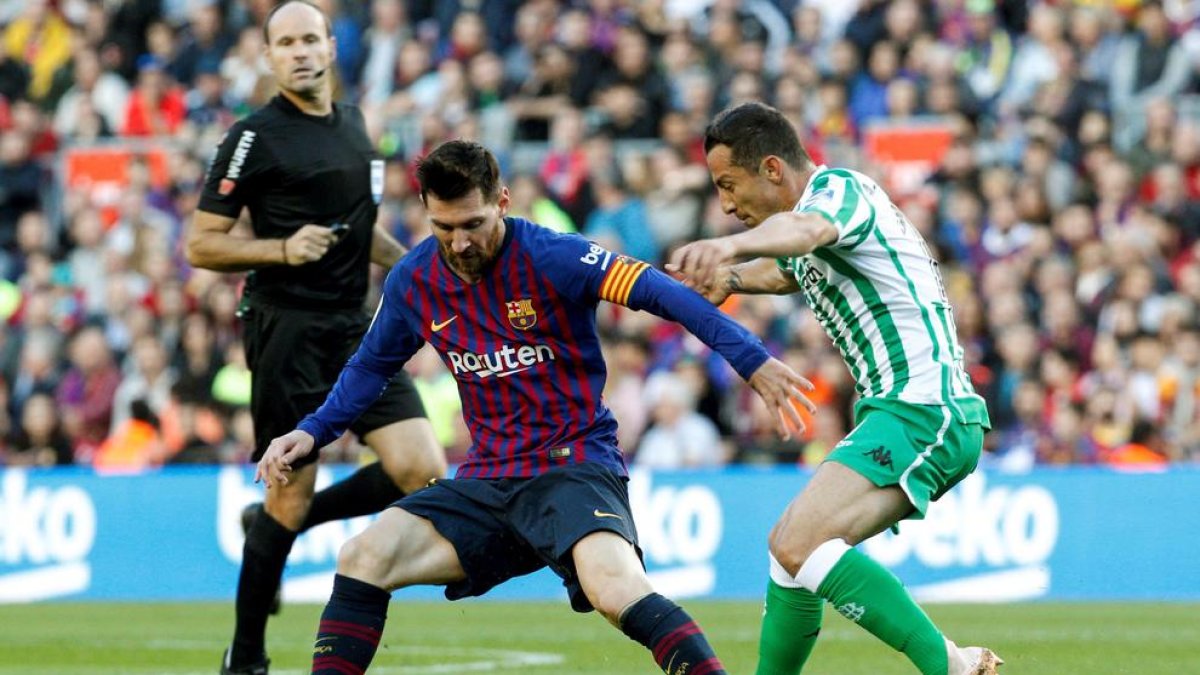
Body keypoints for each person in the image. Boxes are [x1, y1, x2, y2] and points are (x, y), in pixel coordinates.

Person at [256, 139, 816, 675]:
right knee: (363, 556)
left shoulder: (555, 255)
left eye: (473, 224)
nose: (459, 244)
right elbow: (369, 367)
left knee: (616, 590)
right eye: (443, 227)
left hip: (572, 467)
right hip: (488, 480)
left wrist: (751, 359)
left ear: (502, 201)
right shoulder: (413, 280)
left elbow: (660, 291)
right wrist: (312, 432)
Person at [668, 102, 1002, 675]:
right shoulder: (816, 227)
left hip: (924, 408)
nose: (725, 204)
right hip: (906, 413)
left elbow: (804, 232)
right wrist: (732, 278)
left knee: (796, 544)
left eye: (729, 185)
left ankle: (950, 665)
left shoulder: (840, 192)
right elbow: (789, 268)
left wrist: (728, 247)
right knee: (789, 555)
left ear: (772, 169)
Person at [184, 3, 445, 673]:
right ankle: (245, 656)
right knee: (290, 492)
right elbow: (201, 243)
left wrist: (419, 268)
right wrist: (280, 248)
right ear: (269, 57)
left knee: (421, 468)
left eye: (309, 39)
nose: (299, 52)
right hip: (287, 330)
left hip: (355, 326)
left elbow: (361, 230)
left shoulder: (355, 123)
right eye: (285, 43)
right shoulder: (252, 137)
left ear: (331, 47)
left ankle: (269, 523)